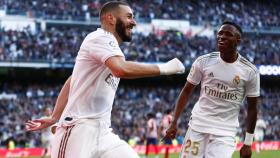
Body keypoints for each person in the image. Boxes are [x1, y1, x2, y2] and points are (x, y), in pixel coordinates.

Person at [25, 1, 185, 158]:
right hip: (78, 129)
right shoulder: (100, 37)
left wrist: (54, 116)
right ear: (111, 18)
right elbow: (120, 69)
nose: (134, 22)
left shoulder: (109, 48)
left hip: (103, 131)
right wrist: (164, 68)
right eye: (129, 17)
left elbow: (73, 80)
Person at [163, 21, 260, 158]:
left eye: (228, 34)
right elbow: (186, 91)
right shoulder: (203, 62)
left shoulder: (250, 71)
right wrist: (174, 122)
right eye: (220, 33)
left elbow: (252, 108)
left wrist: (248, 142)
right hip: (198, 126)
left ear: (238, 40)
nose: (222, 37)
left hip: (225, 132)